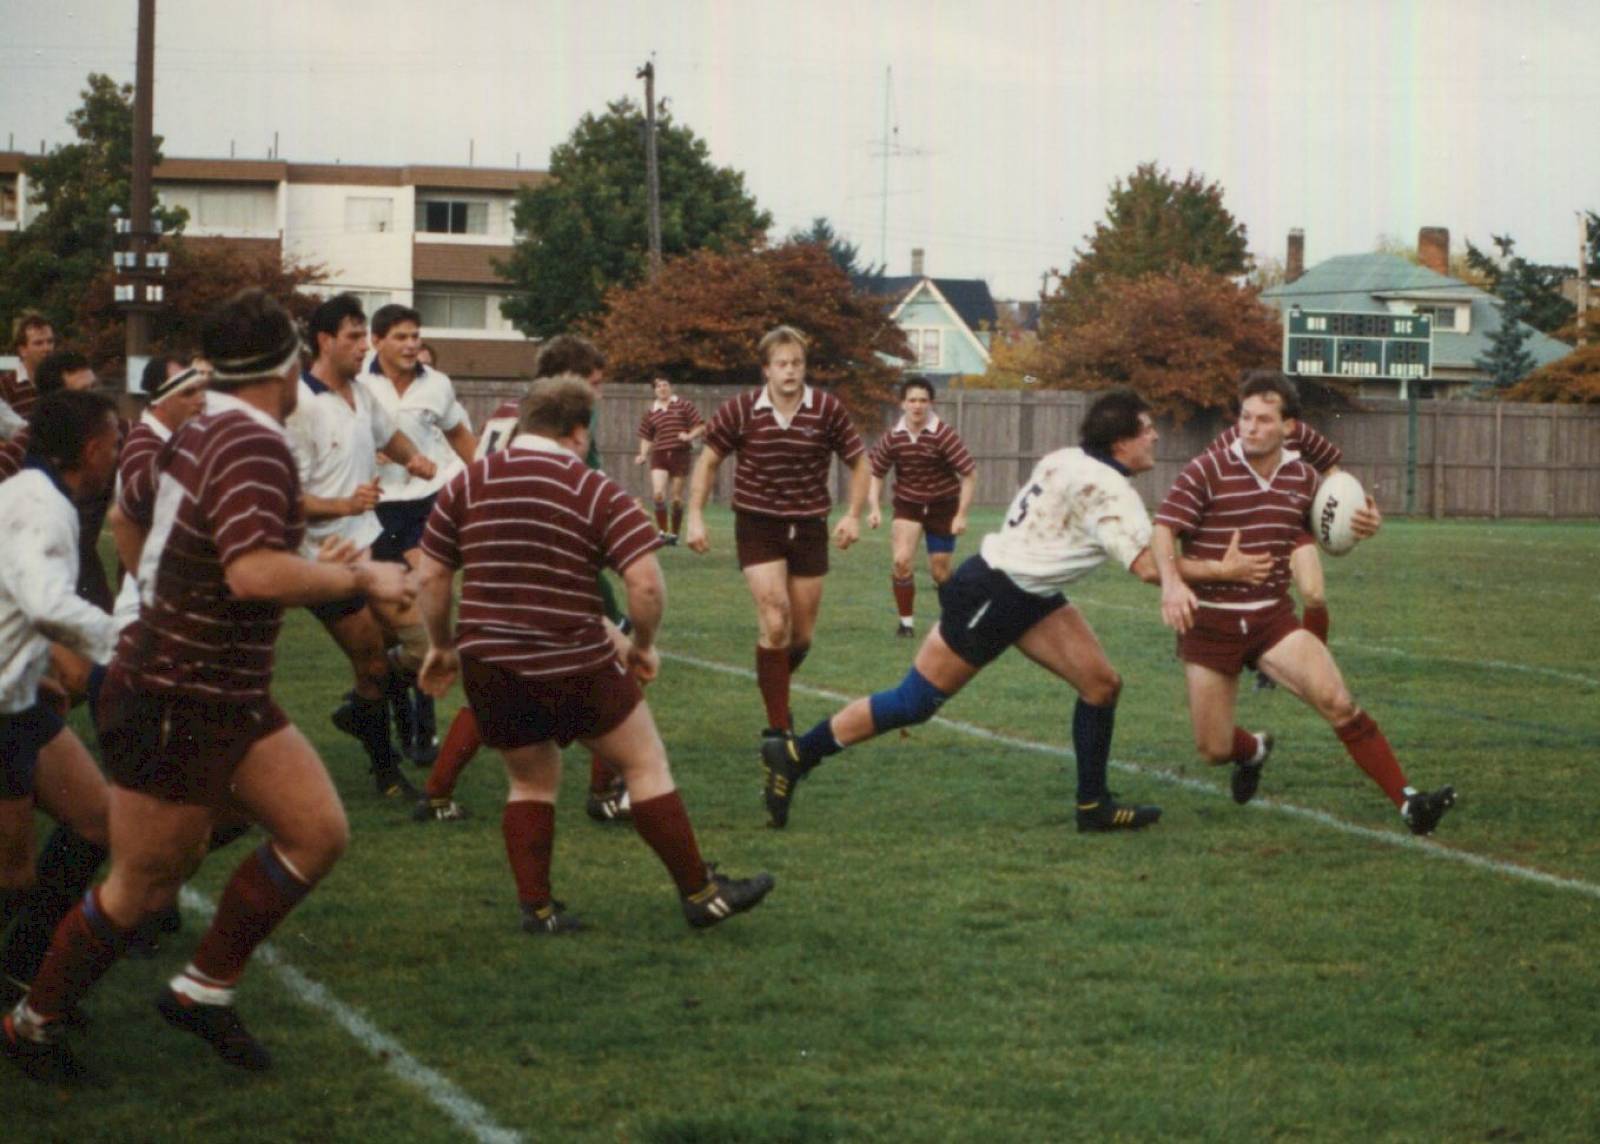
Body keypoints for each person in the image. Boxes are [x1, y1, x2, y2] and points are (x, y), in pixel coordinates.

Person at [2, 289, 414, 1082]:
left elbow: (130, 513)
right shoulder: (254, 443)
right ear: (287, 364)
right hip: (175, 691)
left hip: (223, 684)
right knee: (140, 885)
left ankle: (203, 988)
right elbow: (253, 573)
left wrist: (157, 595)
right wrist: (360, 576)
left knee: (316, 831)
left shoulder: (199, 430)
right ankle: (32, 1024)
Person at [762, 387, 1268, 834]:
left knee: (1101, 685)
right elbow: (1150, 568)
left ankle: (1093, 806)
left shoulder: (1068, 457)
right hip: (994, 594)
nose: (1155, 436)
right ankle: (796, 754)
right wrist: (1225, 570)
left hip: (1027, 591)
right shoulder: (1109, 489)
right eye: (1146, 429)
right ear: (1121, 444)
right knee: (915, 702)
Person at [416, 374, 775, 933]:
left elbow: (432, 575)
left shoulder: (469, 482)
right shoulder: (592, 488)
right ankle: (701, 894)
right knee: (644, 763)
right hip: (573, 659)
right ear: (578, 431)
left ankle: (538, 910)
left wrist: (441, 645)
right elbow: (646, 583)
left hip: (490, 662)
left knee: (530, 783)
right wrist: (643, 646)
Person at [1151, 372, 1456, 834]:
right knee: (1214, 748)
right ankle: (1254, 750)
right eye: (1245, 418)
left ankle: (1410, 802)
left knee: (1338, 702)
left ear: (1289, 427)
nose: (1250, 428)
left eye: (1263, 420)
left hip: (1271, 620)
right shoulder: (1206, 469)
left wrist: (1363, 524)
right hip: (1211, 623)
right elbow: (1162, 532)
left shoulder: (1303, 478)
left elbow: (1333, 526)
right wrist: (1175, 585)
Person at [416, 334, 632, 824]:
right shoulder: (561, 425)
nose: (599, 394)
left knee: (501, 683)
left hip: (497, 562)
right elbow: (576, 495)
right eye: (595, 383)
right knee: (612, 667)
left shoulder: (508, 413)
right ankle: (605, 790)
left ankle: (437, 790)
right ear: (570, 382)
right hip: (550, 566)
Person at [684, 326, 869, 744]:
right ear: (766, 369)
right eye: (782, 364)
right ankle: (778, 730)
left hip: (809, 527)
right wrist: (694, 515)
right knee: (775, 617)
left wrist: (854, 515)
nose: (790, 371)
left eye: (797, 363)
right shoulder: (741, 409)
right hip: (758, 524)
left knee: (799, 638)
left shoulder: (827, 410)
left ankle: (773, 683)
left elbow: (860, 463)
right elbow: (708, 461)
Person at [0, 390, 122, 1016]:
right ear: (91, 449)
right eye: (115, 443)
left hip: (18, 697)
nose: (119, 454)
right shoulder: (41, 507)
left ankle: (24, 967)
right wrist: (129, 645)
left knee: (98, 820)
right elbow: (46, 603)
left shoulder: (38, 496)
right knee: (13, 876)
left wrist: (33, 667)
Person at [289, 294, 438, 800]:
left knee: (423, 646)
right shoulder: (299, 406)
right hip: (323, 561)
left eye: (362, 336)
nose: (362, 347)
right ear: (324, 341)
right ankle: (386, 773)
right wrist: (343, 504)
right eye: (353, 337)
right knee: (373, 662)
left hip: (369, 546)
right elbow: (286, 502)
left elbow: (389, 436)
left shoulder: (361, 394)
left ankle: (361, 709)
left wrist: (415, 459)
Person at [364, 304, 476, 765]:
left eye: (415, 336)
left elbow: (460, 434)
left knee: (428, 612)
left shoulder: (438, 384)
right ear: (376, 341)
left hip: (422, 506)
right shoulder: (357, 382)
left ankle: (424, 728)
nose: (411, 345)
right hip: (371, 511)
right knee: (390, 630)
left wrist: (485, 480)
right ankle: (398, 714)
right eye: (400, 337)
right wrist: (373, 451)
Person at [1206, 402, 1342, 691]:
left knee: (1314, 593)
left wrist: (1340, 505)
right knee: (1258, 602)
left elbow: (1333, 471)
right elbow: (1206, 480)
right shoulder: (1231, 440)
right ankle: (1270, 660)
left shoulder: (1299, 433)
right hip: (1251, 529)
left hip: (1292, 526)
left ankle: (1310, 669)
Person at [865, 376, 976, 638]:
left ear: (931, 403)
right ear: (903, 404)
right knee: (901, 561)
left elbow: (969, 474)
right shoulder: (893, 437)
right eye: (912, 400)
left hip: (943, 506)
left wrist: (961, 514)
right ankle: (906, 625)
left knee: (940, 571)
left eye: (923, 401)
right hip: (908, 505)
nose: (917, 406)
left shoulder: (943, 435)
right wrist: (874, 507)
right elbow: (876, 473)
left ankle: (955, 619)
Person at [633, 376, 705, 542]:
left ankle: (674, 534)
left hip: (680, 454)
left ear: (670, 387)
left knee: (676, 499)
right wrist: (642, 454)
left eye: (665, 385)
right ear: (654, 390)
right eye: (658, 386)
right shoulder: (651, 412)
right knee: (658, 494)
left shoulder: (684, 405)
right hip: (659, 455)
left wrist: (689, 436)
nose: (662, 388)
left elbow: (701, 426)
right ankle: (663, 532)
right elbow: (646, 437)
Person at [1, 312, 55, 422]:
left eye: (50, 341)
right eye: (38, 343)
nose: (47, 348)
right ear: (22, 350)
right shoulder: (5, 386)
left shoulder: (60, 382)